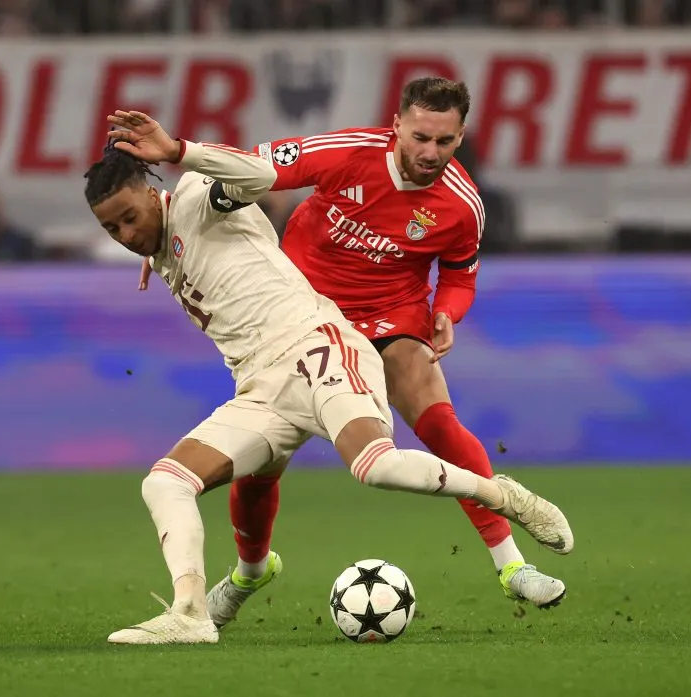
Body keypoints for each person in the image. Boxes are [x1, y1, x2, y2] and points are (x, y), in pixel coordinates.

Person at [89, 110, 573, 645]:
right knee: (165, 481)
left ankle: (503, 497)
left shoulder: (201, 195)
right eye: (112, 229)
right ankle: (189, 613)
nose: (125, 235)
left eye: (129, 218)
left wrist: (180, 151)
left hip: (318, 348)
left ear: (152, 191)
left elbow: (249, 175)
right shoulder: (161, 245)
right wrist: (154, 240)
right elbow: (170, 241)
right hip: (261, 389)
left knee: (375, 466)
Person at [202, 77, 567, 627]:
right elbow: (260, 168)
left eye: (444, 141)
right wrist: (190, 179)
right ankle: (251, 572)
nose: (430, 152)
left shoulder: (463, 205)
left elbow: (461, 275)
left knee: (440, 424)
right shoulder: (348, 153)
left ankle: (512, 565)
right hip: (302, 317)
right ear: (397, 124)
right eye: (420, 136)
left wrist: (448, 312)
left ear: (461, 136)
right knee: (259, 467)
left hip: (390, 317)